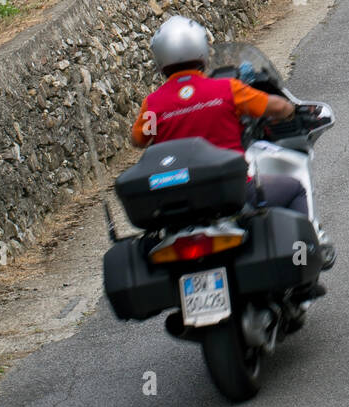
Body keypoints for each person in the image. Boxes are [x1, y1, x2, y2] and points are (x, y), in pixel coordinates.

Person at [130, 14, 334, 263]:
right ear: (201, 50)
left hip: (176, 204)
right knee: (294, 188)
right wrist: (290, 109)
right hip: (233, 194)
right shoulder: (227, 90)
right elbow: (277, 107)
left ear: (160, 59)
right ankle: (308, 253)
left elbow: (139, 139)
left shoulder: (153, 104)